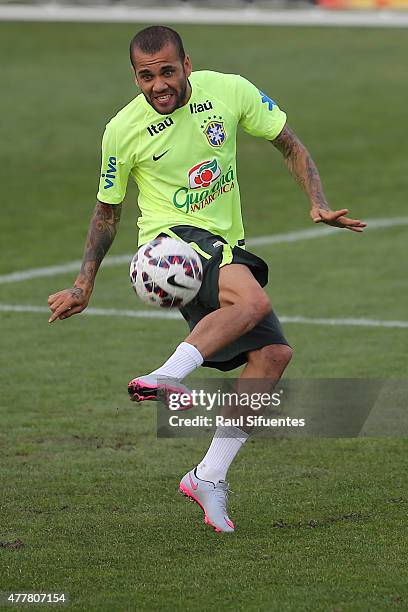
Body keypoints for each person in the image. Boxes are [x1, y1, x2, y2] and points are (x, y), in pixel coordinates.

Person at [48, 25, 366, 533]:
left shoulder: (230, 91)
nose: (158, 86)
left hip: (224, 244)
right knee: (253, 302)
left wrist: (318, 200)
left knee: (273, 357)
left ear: (187, 65)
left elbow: (289, 144)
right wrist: (84, 282)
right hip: (171, 245)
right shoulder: (121, 130)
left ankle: (207, 475)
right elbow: (107, 212)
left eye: (167, 72)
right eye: (145, 76)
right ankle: (169, 375)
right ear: (135, 76)